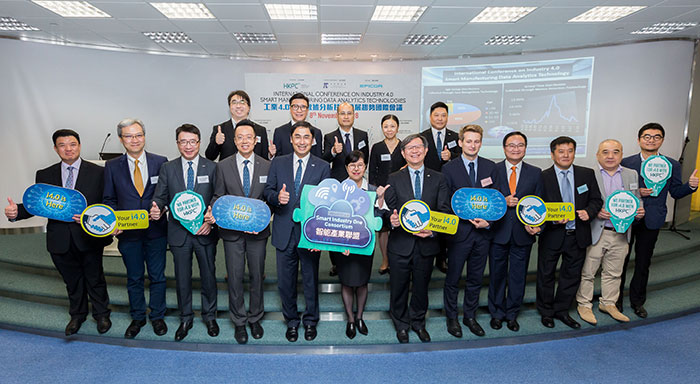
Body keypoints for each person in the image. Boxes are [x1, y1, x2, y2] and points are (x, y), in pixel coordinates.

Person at [4, 129, 111, 336]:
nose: (68, 149)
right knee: (71, 280)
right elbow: (38, 205)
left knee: (95, 277)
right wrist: (17, 211)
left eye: (72, 144)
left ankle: (102, 315)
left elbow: (106, 203)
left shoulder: (99, 172)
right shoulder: (44, 175)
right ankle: (77, 315)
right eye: (62, 145)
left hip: (88, 237)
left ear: (79, 146)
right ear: (55, 148)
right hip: (59, 238)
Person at [617, 123, 698, 318]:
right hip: (626, 218)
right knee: (620, 261)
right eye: (647, 136)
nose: (651, 140)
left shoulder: (671, 164)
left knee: (643, 263)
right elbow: (616, 190)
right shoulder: (626, 162)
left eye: (656, 137)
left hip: (652, 219)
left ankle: (637, 302)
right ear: (639, 140)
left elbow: (676, 192)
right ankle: (615, 301)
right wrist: (636, 192)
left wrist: (691, 186)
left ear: (662, 140)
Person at [264, 121, 331, 342]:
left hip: (309, 233)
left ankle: (311, 321)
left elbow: (326, 204)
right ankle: (291, 321)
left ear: (312, 141)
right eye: (297, 137)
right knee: (285, 281)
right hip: (283, 230)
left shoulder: (322, 166)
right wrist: (277, 198)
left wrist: (319, 234)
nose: (302, 141)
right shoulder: (278, 163)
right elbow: (268, 191)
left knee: (310, 279)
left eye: (306, 137)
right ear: (291, 139)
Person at [151, 124, 219, 342]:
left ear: (199, 143)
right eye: (183, 142)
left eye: (192, 142)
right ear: (177, 143)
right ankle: (186, 318)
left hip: (204, 231)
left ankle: (210, 316)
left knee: (208, 276)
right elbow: (161, 196)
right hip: (179, 232)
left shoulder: (212, 167)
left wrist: (210, 218)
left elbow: (218, 195)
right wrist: (157, 207)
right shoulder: (167, 168)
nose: (188, 146)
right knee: (182, 278)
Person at [103, 118, 168, 339]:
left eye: (139, 134)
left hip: (156, 230)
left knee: (158, 276)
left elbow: (167, 194)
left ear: (144, 136)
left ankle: (158, 316)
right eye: (129, 136)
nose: (135, 140)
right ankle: (138, 317)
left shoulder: (161, 162)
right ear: (121, 140)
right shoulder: (112, 166)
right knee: (134, 277)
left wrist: (162, 207)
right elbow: (109, 198)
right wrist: (113, 220)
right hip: (128, 233)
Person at [384, 133, 450, 343]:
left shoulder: (438, 178)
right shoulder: (394, 178)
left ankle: (418, 323)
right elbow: (388, 209)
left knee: (422, 287)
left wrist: (433, 231)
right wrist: (392, 220)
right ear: (403, 153)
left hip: (427, 244)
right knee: (399, 287)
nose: (414, 151)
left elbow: (444, 210)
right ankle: (401, 324)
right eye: (409, 148)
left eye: (418, 147)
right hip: (400, 244)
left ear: (426, 150)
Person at [211, 120, 271, 344]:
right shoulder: (222, 166)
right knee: (235, 277)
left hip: (258, 233)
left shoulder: (267, 165)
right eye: (240, 137)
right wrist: (214, 211)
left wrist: (262, 217)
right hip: (232, 233)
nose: (245, 141)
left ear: (255, 140)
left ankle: (255, 317)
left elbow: (270, 198)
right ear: (234, 141)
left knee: (257, 275)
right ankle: (239, 321)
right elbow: (218, 196)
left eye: (249, 137)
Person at [576, 139, 645, 325]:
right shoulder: (587, 174)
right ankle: (584, 304)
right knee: (588, 272)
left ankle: (608, 303)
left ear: (621, 155)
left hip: (622, 232)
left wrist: (639, 211)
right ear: (597, 155)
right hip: (597, 231)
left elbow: (636, 199)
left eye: (615, 152)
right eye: (605, 152)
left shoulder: (631, 174)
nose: (610, 156)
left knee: (614, 272)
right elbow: (582, 202)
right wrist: (595, 211)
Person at [537, 136, 603, 329]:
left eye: (570, 151)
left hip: (577, 234)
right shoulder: (542, 177)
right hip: (552, 235)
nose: (566, 155)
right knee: (546, 275)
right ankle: (546, 312)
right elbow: (538, 206)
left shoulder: (586, 174)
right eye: (561, 151)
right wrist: (551, 217)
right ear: (552, 154)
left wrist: (588, 212)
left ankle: (562, 310)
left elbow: (596, 200)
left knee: (571, 275)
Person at [441, 124, 497, 338]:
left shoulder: (490, 167)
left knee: (475, 278)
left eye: (476, 141)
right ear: (461, 142)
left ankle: (470, 316)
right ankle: (452, 317)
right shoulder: (449, 169)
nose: (472, 145)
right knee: (453, 278)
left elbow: (496, 201)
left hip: (483, 234)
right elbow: (445, 202)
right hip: (459, 234)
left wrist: (488, 223)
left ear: (480, 144)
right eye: (469, 141)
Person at [488, 131, 542, 333]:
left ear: (525, 148)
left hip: (523, 234)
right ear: (504, 148)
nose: (516, 148)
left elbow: (540, 203)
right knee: (496, 275)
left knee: (518, 277)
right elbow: (488, 200)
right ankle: (496, 313)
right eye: (511, 145)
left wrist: (538, 226)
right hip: (498, 232)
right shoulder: (492, 170)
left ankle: (512, 314)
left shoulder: (535, 172)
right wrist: (503, 201)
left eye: (520, 145)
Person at [333, 150, 388, 339]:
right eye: (352, 165)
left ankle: (359, 317)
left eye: (360, 165)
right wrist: (342, 243)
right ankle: (349, 319)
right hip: (344, 246)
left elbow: (380, 218)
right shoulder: (338, 190)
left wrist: (380, 199)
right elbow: (333, 218)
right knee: (347, 282)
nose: (356, 169)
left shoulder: (373, 189)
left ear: (365, 167)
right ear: (346, 168)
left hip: (365, 243)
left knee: (363, 282)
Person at [322, 102, 370, 276]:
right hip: (338, 188)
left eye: (349, 113)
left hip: (358, 188)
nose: (346, 116)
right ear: (337, 116)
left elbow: (366, 160)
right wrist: (334, 151)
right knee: (337, 224)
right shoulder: (329, 136)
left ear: (354, 115)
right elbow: (323, 157)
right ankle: (336, 262)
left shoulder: (362, 135)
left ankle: (357, 255)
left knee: (356, 224)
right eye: (342, 113)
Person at [419, 101, 460, 273]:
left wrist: (451, 155)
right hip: (427, 184)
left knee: (443, 218)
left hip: (448, 185)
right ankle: (427, 253)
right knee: (428, 217)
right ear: (430, 117)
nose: (440, 118)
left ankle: (442, 257)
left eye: (443, 115)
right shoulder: (422, 137)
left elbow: (463, 157)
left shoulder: (455, 136)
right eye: (436, 115)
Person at [369, 114, 405, 275]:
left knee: (399, 225)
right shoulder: (377, 147)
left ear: (397, 127)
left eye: (392, 126)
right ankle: (385, 259)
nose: (389, 129)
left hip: (401, 191)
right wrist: (374, 192)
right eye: (386, 126)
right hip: (381, 193)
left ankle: (397, 258)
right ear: (382, 128)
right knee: (382, 227)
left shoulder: (405, 146)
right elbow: (372, 172)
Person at [205, 90, 270, 161]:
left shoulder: (260, 130)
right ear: (229, 107)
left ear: (249, 107)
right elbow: (210, 157)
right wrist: (216, 143)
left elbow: (264, 159)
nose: (238, 106)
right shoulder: (220, 129)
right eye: (234, 102)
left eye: (242, 102)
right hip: (228, 170)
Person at [270, 93, 323, 158]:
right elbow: (277, 158)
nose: (299, 110)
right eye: (295, 107)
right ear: (290, 109)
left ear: (307, 110)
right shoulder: (279, 132)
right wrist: (271, 154)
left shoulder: (316, 132)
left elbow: (318, 158)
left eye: (303, 107)